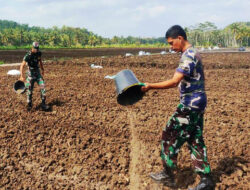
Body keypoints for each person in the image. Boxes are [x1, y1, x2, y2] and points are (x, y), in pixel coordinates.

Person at [141, 25, 215, 190]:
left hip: (189, 106)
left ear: (180, 38)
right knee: (194, 138)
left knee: (169, 133)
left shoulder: (188, 56)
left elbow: (175, 81)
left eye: (171, 43)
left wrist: (150, 86)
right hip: (198, 103)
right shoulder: (192, 52)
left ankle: (168, 175)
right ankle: (206, 180)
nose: (171, 47)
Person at [19, 42, 49, 111]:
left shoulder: (39, 53)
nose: (36, 50)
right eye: (35, 49)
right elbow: (22, 65)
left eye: (37, 49)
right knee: (29, 90)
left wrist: (42, 69)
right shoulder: (28, 55)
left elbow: (40, 61)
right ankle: (29, 104)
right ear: (32, 48)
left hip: (37, 73)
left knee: (43, 86)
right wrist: (21, 75)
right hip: (31, 74)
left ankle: (43, 104)